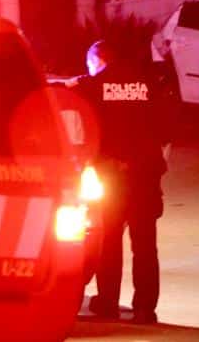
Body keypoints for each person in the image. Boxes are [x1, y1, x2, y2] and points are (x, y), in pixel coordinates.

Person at [74, 39, 168, 324]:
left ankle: (108, 303)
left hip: (110, 177)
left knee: (109, 242)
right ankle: (145, 308)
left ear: (99, 60)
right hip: (145, 176)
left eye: (90, 65)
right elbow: (166, 126)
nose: (89, 70)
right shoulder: (151, 83)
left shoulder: (92, 86)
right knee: (145, 245)